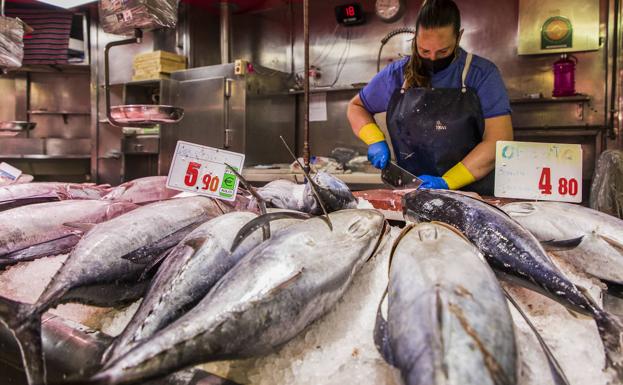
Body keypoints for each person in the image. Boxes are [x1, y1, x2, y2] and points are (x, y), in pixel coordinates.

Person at [347, 0, 513, 195]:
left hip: (472, 195)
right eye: (424, 50)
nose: (432, 58)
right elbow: (356, 107)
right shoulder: (397, 74)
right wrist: (374, 139)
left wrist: (448, 181)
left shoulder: (481, 74)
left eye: (443, 51)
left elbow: (499, 140)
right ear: (416, 38)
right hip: (412, 192)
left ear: (458, 38)